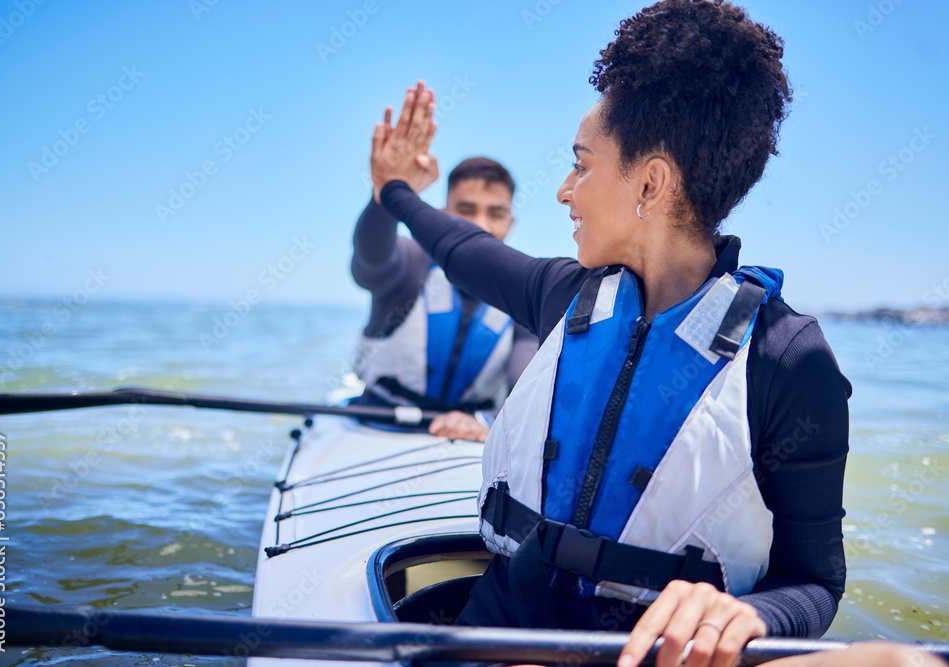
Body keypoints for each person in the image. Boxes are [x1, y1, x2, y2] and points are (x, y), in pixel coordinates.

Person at [366, 1, 857, 665]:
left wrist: (747, 613)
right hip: (500, 629)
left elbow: (816, 581)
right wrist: (395, 189)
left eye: (581, 164)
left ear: (650, 185)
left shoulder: (786, 360)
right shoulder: (565, 295)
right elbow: (457, 246)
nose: (565, 191)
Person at [349, 155, 538, 442]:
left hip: (466, 438)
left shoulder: (523, 294)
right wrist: (386, 193)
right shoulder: (409, 263)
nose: (481, 226)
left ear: (510, 224)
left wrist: (485, 422)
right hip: (376, 426)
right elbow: (370, 260)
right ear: (440, 216)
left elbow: (526, 389)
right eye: (466, 210)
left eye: (495, 214)